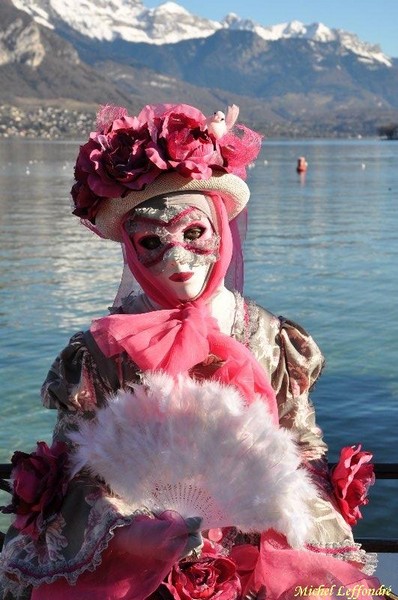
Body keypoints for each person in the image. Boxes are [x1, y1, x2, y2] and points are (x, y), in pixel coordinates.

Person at [0, 103, 382, 600]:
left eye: (193, 233)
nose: (177, 258)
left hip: (259, 558)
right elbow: (81, 464)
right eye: (152, 242)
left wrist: (275, 510)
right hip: (136, 560)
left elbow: (300, 448)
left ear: (220, 232)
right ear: (131, 251)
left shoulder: (269, 337)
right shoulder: (101, 351)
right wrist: (137, 530)